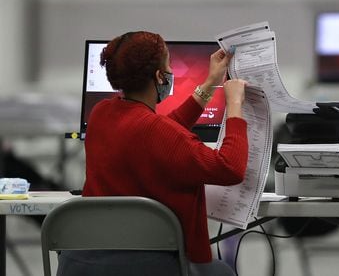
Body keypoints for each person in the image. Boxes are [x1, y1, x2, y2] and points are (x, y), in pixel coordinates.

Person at [57, 31, 248, 276]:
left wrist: (210, 84)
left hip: (84, 264)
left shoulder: (100, 114)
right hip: (152, 267)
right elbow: (230, 167)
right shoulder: (158, 133)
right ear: (159, 76)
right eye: (168, 66)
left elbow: (162, 131)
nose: (170, 71)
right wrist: (234, 104)